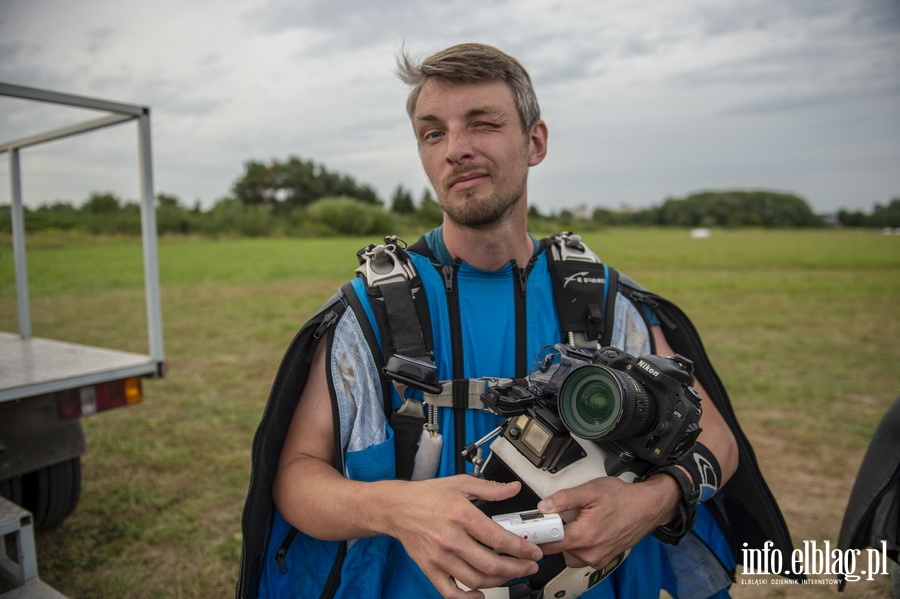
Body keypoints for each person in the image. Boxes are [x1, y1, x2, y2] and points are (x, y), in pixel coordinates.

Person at [238, 43, 796, 599]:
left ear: (535, 142)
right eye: (433, 133)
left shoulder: (597, 300)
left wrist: (649, 503)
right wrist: (396, 509)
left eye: (482, 124)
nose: (455, 149)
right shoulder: (377, 308)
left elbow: (718, 442)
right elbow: (295, 478)